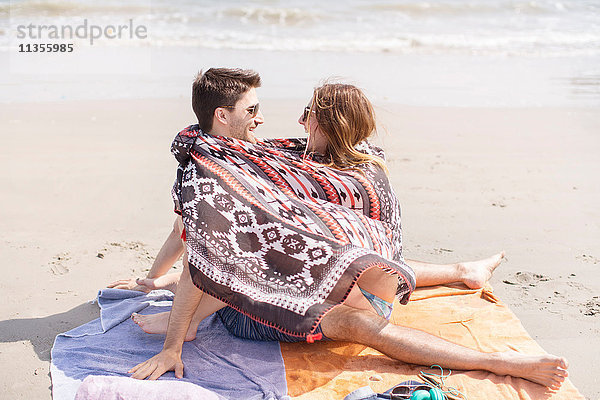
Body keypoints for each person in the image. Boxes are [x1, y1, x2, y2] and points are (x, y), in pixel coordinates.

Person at [115, 70, 568, 389]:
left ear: (327, 124)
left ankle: (467, 283)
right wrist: (165, 301)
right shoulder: (327, 159)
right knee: (246, 249)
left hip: (352, 289)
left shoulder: (337, 169)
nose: (287, 121)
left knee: (300, 248)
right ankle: (493, 342)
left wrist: (170, 309)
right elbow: (195, 237)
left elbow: (356, 242)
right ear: (222, 115)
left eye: (307, 113)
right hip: (302, 302)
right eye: (253, 109)